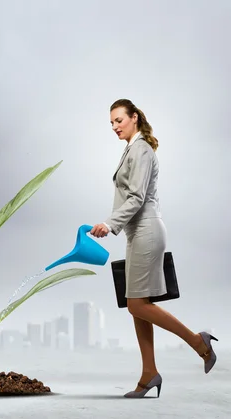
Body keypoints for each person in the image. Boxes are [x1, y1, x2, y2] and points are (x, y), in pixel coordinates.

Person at [89, 98, 218, 398]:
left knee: (136, 303)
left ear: (134, 117)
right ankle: (149, 374)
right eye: (111, 123)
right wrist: (115, 226)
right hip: (136, 233)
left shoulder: (142, 149)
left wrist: (109, 223)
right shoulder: (131, 150)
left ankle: (198, 342)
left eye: (119, 120)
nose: (114, 127)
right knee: (137, 307)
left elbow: (135, 197)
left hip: (146, 229)